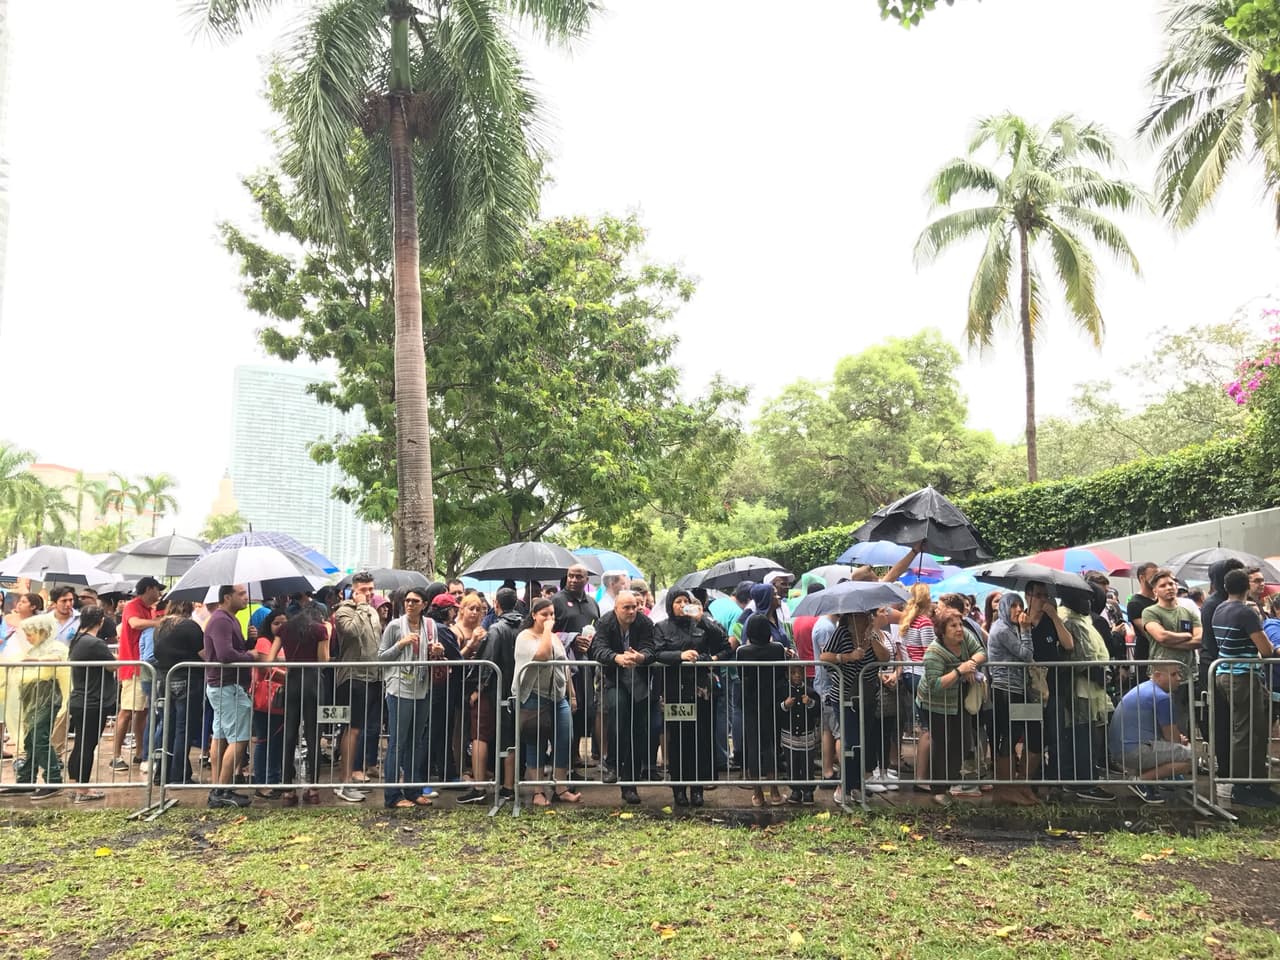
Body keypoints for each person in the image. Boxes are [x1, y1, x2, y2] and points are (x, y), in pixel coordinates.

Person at [653, 588, 730, 807]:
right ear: (670, 605)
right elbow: (657, 653)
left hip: (700, 691)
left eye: (685, 601)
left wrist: (702, 620)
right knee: (678, 741)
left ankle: (698, 789)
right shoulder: (661, 627)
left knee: (700, 740)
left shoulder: (702, 624)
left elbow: (723, 644)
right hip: (675, 692)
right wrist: (680, 656)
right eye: (677, 601)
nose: (682, 605)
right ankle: (679, 789)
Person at [1213, 568, 1279, 807]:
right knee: (1246, 733)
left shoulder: (1220, 608)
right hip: (1242, 676)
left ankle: (1258, 784)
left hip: (1228, 674)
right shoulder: (1245, 612)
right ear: (1247, 587)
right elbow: (1266, 650)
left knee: (1256, 731)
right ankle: (1242, 787)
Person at [589, 589, 655, 805]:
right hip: (615, 679)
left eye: (634, 607)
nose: (632, 611)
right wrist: (616, 658)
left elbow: (651, 648)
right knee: (618, 715)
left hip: (639, 682)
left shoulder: (645, 623)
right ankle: (613, 764)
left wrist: (641, 657)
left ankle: (630, 785)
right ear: (616, 608)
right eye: (626, 607)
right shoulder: (605, 622)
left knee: (637, 732)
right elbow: (597, 650)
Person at [915, 607, 985, 805]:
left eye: (960, 624)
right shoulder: (934, 652)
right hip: (934, 702)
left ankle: (949, 782)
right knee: (941, 744)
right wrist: (959, 671)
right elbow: (935, 685)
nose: (959, 629)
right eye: (953, 626)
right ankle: (939, 789)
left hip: (958, 699)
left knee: (963, 742)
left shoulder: (965, 637)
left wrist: (971, 663)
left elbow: (981, 652)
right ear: (942, 631)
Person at [514, 597, 580, 806]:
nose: (549, 618)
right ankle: (538, 791)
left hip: (558, 696)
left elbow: (564, 666)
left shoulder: (554, 637)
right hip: (534, 696)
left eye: (552, 614)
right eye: (544, 614)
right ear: (534, 615)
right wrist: (547, 631)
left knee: (565, 739)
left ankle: (560, 787)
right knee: (536, 742)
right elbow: (542, 655)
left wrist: (572, 694)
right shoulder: (525, 636)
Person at [821, 610, 890, 805]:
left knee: (863, 742)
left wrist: (871, 640)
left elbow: (885, 657)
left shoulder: (873, 634)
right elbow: (824, 656)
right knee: (850, 741)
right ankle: (844, 785)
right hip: (844, 696)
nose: (867, 619)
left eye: (869, 615)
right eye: (862, 616)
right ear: (852, 617)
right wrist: (848, 657)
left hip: (867, 696)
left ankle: (857, 785)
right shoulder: (841, 633)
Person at [204, 584, 263, 809]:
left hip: (225, 685)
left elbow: (231, 650)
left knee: (221, 736)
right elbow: (225, 654)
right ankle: (222, 789)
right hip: (228, 686)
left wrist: (248, 643)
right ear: (227, 597)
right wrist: (251, 655)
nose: (245, 597)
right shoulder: (221, 620)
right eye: (241, 594)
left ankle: (218, 787)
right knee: (238, 739)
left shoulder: (229, 619)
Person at [377, 587, 436, 809]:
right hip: (399, 688)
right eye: (407, 600)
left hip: (422, 686)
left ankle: (413, 790)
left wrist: (437, 651)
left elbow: (433, 653)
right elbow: (381, 657)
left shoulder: (429, 625)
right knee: (397, 743)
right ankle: (392, 795)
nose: (410, 604)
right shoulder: (394, 626)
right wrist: (401, 644)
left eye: (415, 601)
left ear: (424, 604)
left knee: (416, 742)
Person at [0, 614, 70, 798]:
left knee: (40, 738)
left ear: (42, 631)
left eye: (30, 634)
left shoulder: (55, 646)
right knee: (30, 739)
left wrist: (36, 661)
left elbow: (57, 658)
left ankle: (54, 780)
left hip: (47, 696)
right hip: (29, 697)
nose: (28, 638)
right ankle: (26, 780)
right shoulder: (31, 649)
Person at [266, 604, 330, 806]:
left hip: (292, 680)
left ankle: (288, 790)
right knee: (313, 735)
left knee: (289, 734)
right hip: (313, 682)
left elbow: (270, 658)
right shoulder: (320, 630)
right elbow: (324, 660)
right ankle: (313, 789)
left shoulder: (284, 629)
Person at [1058, 587, 1115, 803]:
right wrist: (1099, 673)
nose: (1088, 604)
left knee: (1086, 734)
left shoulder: (1080, 619)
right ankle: (1085, 782)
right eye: (1084, 599)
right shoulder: (1069, 621)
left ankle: (1083, 779)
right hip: (1079, 687)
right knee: (1082, 736)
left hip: (1089, 685)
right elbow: (1081, 657)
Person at [1107, 663, 1193, 805]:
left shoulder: (1145, 688)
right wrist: (1182, 742)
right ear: (1158, 675)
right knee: (1190, 757)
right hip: (1133, 751)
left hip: (1121, 750)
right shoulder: (1162, 698)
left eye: (1179, 674)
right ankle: (1140, 781)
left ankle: (1147, 783)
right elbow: (1172, 738)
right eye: (1173, 674)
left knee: (1173, 750)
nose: (1179, 678)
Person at [985, 592, 1041, 805]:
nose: (1018, 610)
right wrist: (1026, 630)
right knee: (1010, 736)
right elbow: (1026, 654)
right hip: (1006, 690)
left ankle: (1022, 784)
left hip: (1021, 690)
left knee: (1034, 732)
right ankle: (1005, 788)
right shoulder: (1001, 629)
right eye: (1013, 606)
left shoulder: (1012, 628)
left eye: (1020, 605)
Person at [332, 571, 384, 801]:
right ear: (354, 591)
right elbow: (351, 631)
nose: (369, 593)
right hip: (353, 676)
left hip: (373, 677)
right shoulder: (343, 611)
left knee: (362, 728)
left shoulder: (373, 611)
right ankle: (344, 782)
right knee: (351, 729)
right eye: (364, 590)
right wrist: (361, 607)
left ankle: (352, 778)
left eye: (371, 589)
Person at [474, 587, 522, 806]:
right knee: (513, 736)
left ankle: (507, 785)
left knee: (505, 736)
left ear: (497, 604)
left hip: (499, 689)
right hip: (519, 687)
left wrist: (479, 688)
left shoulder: (496, 629)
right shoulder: (524, 626)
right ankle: (509, 784)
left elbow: (488, 661)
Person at [1199, 558, 1245, 783]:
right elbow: (1214, 643)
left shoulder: (1229, 603)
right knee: (1221, 722)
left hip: (1227, 668)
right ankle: (1226, 770)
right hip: (1216, 668)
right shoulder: (1213, 604)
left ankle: (1236, 768)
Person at [111, 576, 163, 772]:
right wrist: (158, 623)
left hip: (144, 667)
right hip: (132, 666)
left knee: (142, 711)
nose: (159, 594)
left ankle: (141, 751)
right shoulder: (133, 606)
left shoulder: (148, 609)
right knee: (127, 711)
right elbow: (134, 624)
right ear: (149, 589)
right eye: (157, 589)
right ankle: (115, 755)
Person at [153, 600, 206, 786]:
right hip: (188, 678)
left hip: (164, 678)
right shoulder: (190, 626)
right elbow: (204, 654)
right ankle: (179, 774)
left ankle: (162, 772)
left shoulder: (160, 627)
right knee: (184, 728)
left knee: (167, 726)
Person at [736, 614, 787, 807]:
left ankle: (757, 794)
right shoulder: (778, 649)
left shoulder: (742, 651)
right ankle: (774, 791)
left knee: (753, 746)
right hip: (771, 700)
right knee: (771, 744)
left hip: (750, 702)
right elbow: (780, 673)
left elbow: (741, 674)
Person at [1141, 568, 1201, 735]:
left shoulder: (1187, 611)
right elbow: (1161, 636)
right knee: (1165, 723)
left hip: (1187, 675)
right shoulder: (1150, 612)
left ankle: (1183, 750)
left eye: (1171, 584)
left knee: (1185, 722)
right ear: (1155, 591)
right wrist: (1186, 636)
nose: (1169, 587)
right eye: (1163, 585)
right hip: (1163, 676)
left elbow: (1199, 639)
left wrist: (1171, 642)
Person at [552, 563, 600, 769]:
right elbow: (545, 631)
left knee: (584, 710)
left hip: (586, 665)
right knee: (568, 711)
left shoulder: (592, 603)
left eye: (578, 576)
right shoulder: (556, 601)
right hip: (564, 666)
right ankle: (564, 762)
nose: (573, 580)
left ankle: (576, 755)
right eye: (570, 575)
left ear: (586, 580)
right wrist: (571, 639)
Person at [66, 605, 115, 802]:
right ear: (101, 621)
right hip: (93, 701)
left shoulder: (78, 639)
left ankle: (74, 783)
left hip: (81, 699)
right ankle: (83, 788)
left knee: (80, 743)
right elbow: (112, 666)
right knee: (87, 745)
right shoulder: (94, 643)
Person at [898, 583, 936, 789]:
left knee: (924, 726)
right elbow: (931, 652)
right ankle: (922, 777)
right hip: (922, 675)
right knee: (928, 728)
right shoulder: (924, 622)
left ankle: (922, 776)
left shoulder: (907, 620)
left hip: (909, 674)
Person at [250, 608, 289, 796]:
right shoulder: (264, 641)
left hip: (282, 699)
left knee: (277, 742)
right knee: (264, 741)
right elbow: (267, 667)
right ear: (269, 625)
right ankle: (261, 782)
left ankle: (274, 779)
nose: (280, 627)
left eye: (284, 623)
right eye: (276, 623)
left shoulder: (288, 642)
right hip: (266, 700)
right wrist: (289, 676)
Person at [780, 663, 821, 804]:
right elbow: (777, 710)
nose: (797, 676)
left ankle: (808, 791)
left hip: (806, 736)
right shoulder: (784, 691)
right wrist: (785, 705)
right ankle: (795, 790)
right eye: (793, 673)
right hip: (789, 736)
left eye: (799, 673)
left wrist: (810, 703)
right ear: (788, 675)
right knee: (792, 764)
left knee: (807, 764)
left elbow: (818, 710)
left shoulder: (810, 692)